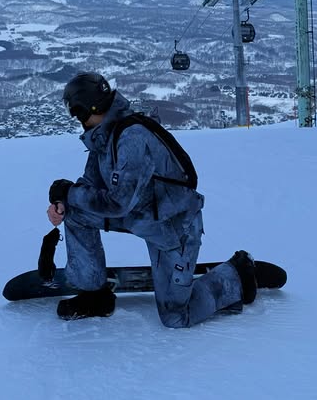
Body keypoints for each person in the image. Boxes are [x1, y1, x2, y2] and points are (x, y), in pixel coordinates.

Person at [47, 72, 258, 325]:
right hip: (140, 213)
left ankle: (237, 274)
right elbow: (91, 184)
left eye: (77, 113)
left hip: (172, 225)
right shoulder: (104, 135)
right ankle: (94, 295)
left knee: (175, 316)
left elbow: (117, 203)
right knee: (76, 212)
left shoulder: (132, 137)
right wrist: (64, 202)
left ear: (88, 108)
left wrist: (69, 192)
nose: (78, 120)